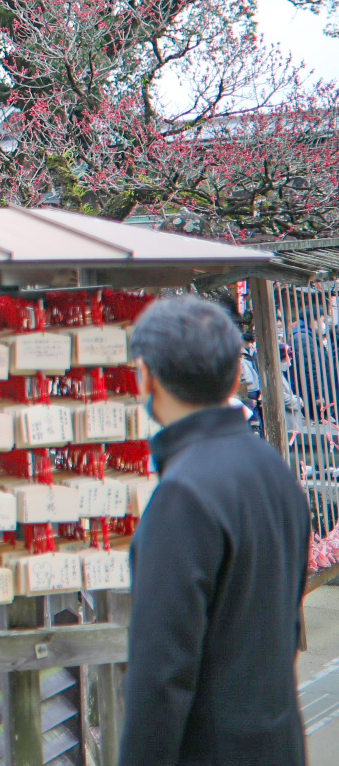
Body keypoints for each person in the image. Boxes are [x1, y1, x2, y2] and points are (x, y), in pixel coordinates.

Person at [120, 295, 309, 765]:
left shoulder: (182, 494)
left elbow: (160, 675)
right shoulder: (273, 470)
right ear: (232, 375)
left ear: (145, 376)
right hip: (278, 741)